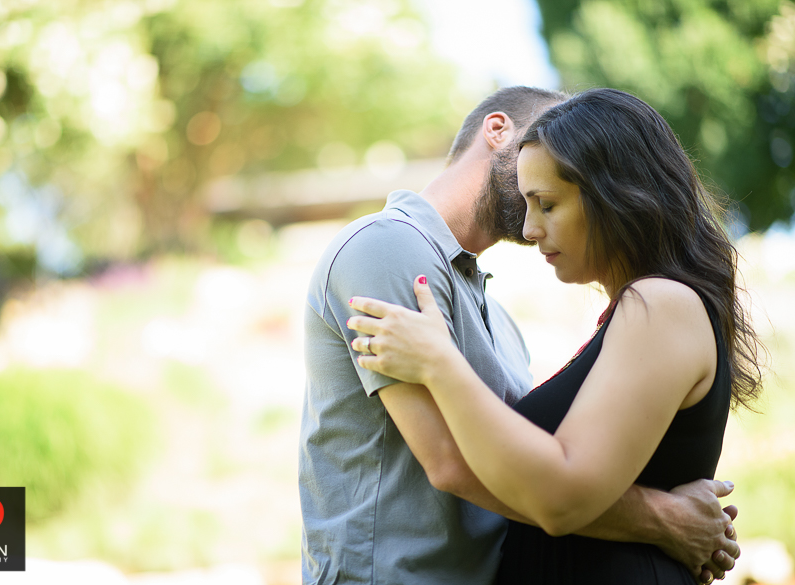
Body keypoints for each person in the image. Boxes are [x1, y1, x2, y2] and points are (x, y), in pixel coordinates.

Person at [300, 86, 740, 585]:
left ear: (611, 186)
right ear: (498, 130)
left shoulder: (513, 323)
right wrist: (665, 518)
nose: (532, 228)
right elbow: (452, 460)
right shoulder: (387, 246)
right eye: (531, 198)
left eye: (547, 201)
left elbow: (538, 472)